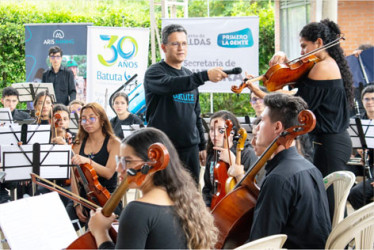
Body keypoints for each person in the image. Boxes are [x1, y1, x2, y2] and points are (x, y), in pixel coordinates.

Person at [245, 19, 354, 218]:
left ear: (319, 43)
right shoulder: (321, 65)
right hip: (328, 142)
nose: (302, 52)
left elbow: (295, 103)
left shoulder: (323, 68)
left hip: (331, 144)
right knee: (330, 204)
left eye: (304, 46)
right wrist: (282, 58)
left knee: (331, 206)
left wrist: (260, 93)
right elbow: (293, 84)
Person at [88, 127, 218, 249]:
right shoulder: (187, 201)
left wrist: (101, 233)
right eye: (119, 160)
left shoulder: (137, 210)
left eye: (127, 161)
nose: (118, 168)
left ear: (152, 164)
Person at [143, 24, 228, 183]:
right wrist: (205, 76)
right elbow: (171, 85)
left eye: (184, 43)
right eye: (175, 43)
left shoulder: (188, 75)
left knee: (191, 199)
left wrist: (202, 146)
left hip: (190, 150)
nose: (181, 48)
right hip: (163, 149)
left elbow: (195, 114)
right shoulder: (154, 73)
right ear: (164, 47)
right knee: (164, 198)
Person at [248, 93, 331, 249]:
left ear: (277, 127)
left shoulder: (278, 178)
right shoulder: (310, 167)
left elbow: (261, 243)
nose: (256, 128)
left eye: (262, 121)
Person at [67, 102, 121, 229]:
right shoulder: (78, 143)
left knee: (97, 230)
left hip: (107, 197)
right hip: (83, 195)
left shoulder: (114, 142)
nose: (87, 122)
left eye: (92, 118)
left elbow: (108, 173)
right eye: (83, 119)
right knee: (64, 224)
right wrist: (76, 203)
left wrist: (88, 161)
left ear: (102, 120)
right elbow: (74, 176)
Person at [202, 110, 257, 207]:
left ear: (231, 132)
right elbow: (207, 188)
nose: (214, 134)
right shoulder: (212, 152)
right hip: (214, 207)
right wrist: (207, 206)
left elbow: (252, 190)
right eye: (211, 129)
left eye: (221, 130)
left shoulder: (246, 154)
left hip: (238, 208)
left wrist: (233, 160)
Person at [348, 85, 374, 209]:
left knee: (356, 193)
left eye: (373, 99)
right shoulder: (357, 121)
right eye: (367, 99)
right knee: (341, 171)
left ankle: (367, 219)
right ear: (362, 101)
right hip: (364, 161)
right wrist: (352, 151)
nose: (370, 102)